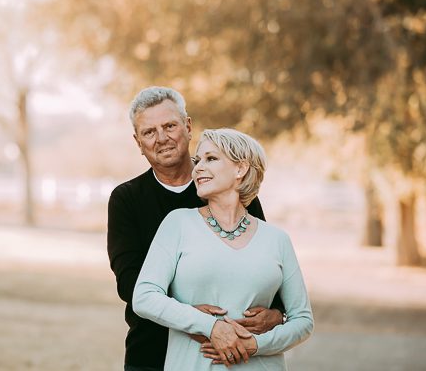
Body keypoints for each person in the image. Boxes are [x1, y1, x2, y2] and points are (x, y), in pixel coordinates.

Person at [108, 87, 284, 371]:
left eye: (169, 126)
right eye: (149, 132)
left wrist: (278, 313)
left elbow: (265, 261)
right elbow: (130, 282)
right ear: (137, 141)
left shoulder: (231, 188)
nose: (162, 138)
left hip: (235, 351)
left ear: (188, 127)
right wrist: (194, 319)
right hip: (153, 349)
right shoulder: (127, 199)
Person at [132, 127, 314, 370]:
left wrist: (255, 345)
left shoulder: (277, 239)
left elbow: (302, 320)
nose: (197, 168)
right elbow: (144, 297)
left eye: (211, 158)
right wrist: (210, 326)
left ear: (240, 169)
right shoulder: (178, 224)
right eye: (198, 160)